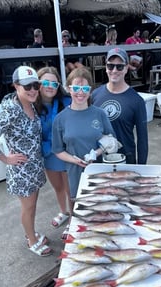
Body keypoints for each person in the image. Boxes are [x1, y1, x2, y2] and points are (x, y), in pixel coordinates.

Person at [0, 66, 52, 257]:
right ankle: (32, 240)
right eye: (27, 86)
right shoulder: (11, 110)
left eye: (36, 85)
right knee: (28, 207)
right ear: (16, 86)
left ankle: (31, 234)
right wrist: (5, 158)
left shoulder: (30, 103)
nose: (33, 90)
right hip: (22, 171)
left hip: (34, 167)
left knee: (32, 205)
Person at [52, 68, 116, 237]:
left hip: (99, 170)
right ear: (68, 88)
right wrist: (74, 160)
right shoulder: (60, 119)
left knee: (100, 206)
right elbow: (58, 150)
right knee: (78, 206)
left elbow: (110, 139)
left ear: (90, 90)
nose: (81, 93)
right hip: (74, 172)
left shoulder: (99, 114)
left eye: (85, 89)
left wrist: (96, 152)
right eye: (76, 88)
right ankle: (78, 231)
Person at [91, 47, 148, 165]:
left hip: (125, 160)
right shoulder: (95, 95)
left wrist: (142, 167)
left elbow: (142, 139)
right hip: (99, 160)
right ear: (106, 68)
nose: (114, 70)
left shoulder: (137, 101)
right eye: (110, 66)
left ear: (126, 68)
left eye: (119, 66)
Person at [36, 66, 72, 229]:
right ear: (38, 84)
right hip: (48, 155)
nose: (50, 86)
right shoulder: (32, 105)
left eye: (54, 83)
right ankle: (63, 212)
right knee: (58, 187)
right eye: (46, 82)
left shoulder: (66, 102)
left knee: (69, 189)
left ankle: (73, 219)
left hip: (66, 153)